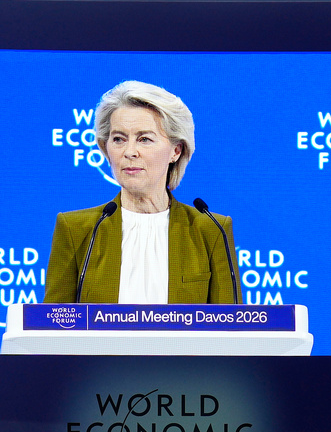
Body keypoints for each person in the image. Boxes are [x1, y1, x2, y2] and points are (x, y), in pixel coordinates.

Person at [44, 80, 241, 304]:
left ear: (176, 151)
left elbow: (230, 331)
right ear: (106, 148)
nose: (129, 152)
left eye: (144, 139)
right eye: (118, 139)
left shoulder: (210, 230)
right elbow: (53, 326)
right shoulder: (76, 230)